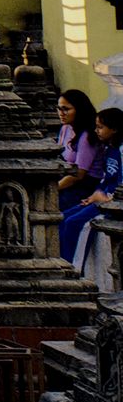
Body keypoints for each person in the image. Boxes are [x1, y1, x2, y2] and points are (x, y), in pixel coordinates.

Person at [71, 107, 123, 285]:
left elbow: (119, 184)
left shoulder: (121, 151)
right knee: (65, 216)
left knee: (75, 223)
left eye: (100, 127)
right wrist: (94, 195)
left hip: (111, 205)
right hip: (100, 198)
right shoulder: (109, 149)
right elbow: (105, 178)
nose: (96, 131)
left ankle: (74, 269)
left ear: (114, 129)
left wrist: (104, 198)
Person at [58, 88, 102, 263]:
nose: (61, 113)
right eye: (59, 108)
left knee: (64, 217)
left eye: (66, 109)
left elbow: (79, 174)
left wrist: (53, 188)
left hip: (82, 187)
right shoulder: (65, 130)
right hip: (65, 181)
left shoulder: (87, 136)